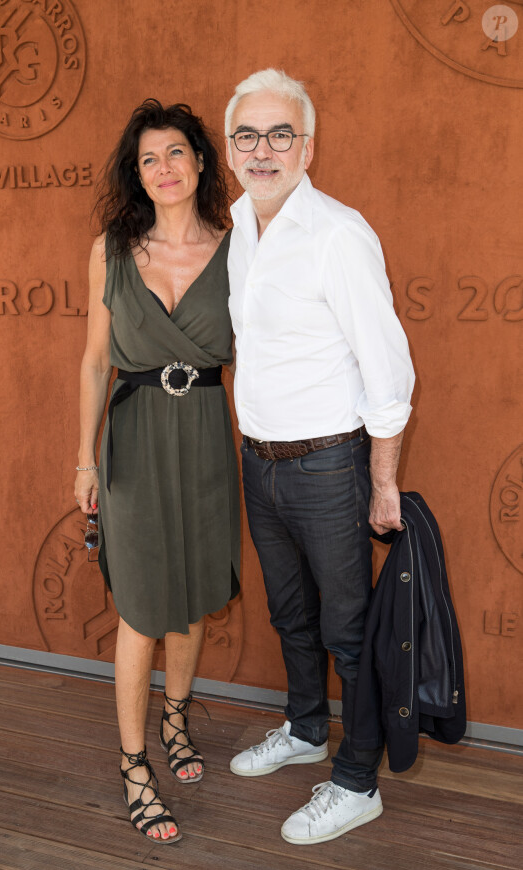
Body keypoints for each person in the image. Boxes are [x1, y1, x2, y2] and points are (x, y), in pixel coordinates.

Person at [224, 70, 415, 845]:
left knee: (347, 630)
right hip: (259, 461)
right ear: (231, 147)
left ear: (307, 146)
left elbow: (389, 369)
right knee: (289, 615)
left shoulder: (338, 233)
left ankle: (357, 778)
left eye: (279, 135)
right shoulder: (237, 225)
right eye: (247, 135)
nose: (262, 151)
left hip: (330, 467)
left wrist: (382, 481)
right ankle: (306, 730)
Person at [74, 98, 240, 845]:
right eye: (149, 158)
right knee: (142, 607)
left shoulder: (241, 250)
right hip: (135, 440)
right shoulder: (111, 249)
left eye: (176, 153)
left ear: (201, 162)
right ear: (135, 174)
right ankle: (136, 764)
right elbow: (93, 361)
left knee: (197, 592)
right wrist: (84, 459)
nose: (163, 168)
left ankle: (176, 718)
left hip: (206, 434)